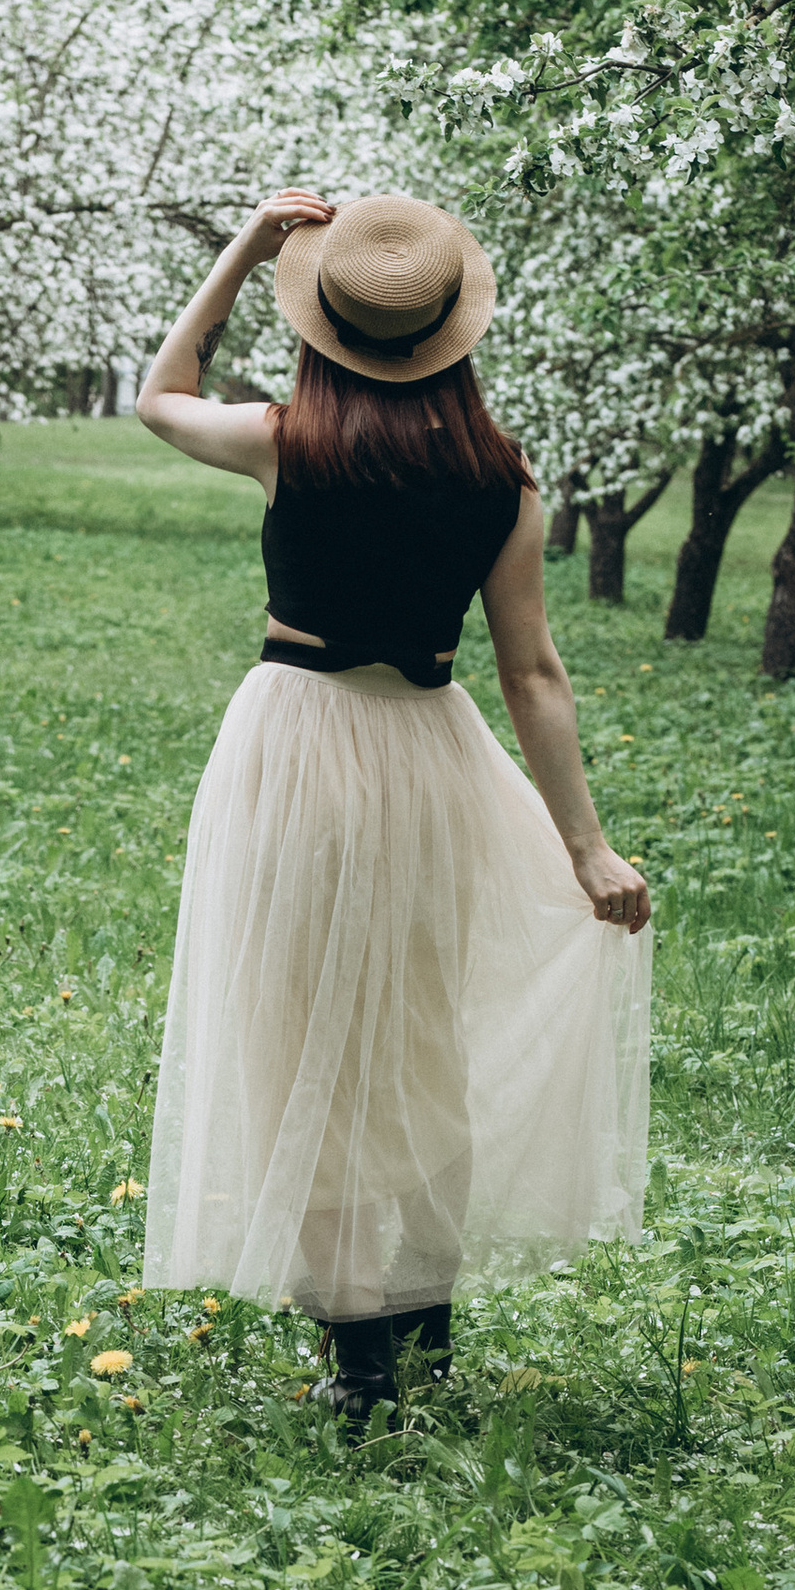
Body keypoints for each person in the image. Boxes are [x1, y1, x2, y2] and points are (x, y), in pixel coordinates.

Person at [134, 187, 652, 1420]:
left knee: (298, 1041)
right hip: (429, 754)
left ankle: (357, 1367)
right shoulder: (498, 476)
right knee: (419, 1050)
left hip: (295, 750)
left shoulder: (284, 440)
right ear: (447, 336)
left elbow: (158, 393)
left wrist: (245, 248)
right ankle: (422, 1336)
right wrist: (585, 848)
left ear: (324, 327)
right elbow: (532, 670)